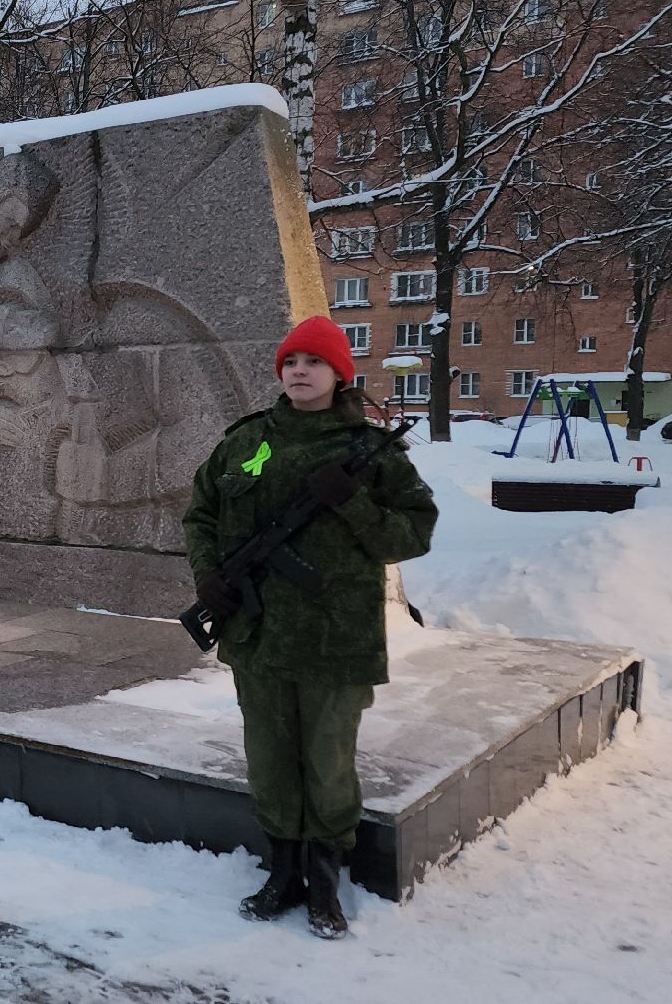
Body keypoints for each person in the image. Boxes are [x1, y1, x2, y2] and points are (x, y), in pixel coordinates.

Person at [181, 315, 438, 939]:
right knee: (269, 759)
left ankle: (324, 879)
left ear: (338, 374)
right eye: (291, 361)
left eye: (313, 362)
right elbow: (201, 514)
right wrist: (209, 575)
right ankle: (283, 872)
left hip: (334, 637)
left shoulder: (369, 451)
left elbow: (415, 531)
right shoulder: (244, 443)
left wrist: (350, 500)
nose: (299, 371)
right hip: (258, 637)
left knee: (327, 762)